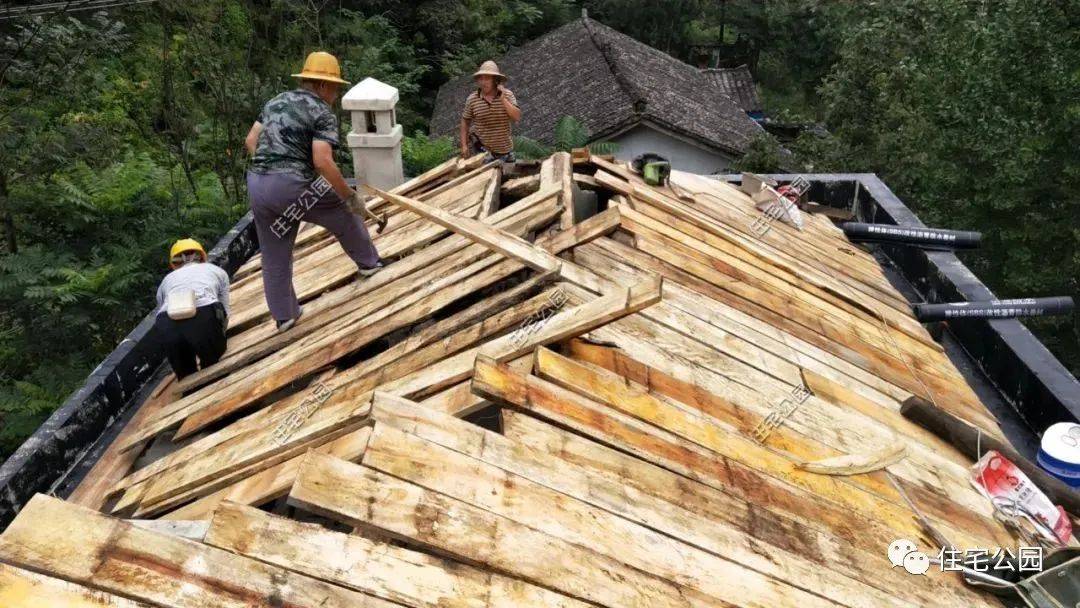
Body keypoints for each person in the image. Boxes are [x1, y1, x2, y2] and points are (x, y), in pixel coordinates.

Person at [244, 51, 382, 332]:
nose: (334, 94)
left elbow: (251, 141)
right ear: (321, 85)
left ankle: (285, 316)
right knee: (343, 212)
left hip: (258, 184)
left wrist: (273, 168)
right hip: (292, 184)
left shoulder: (276, 102)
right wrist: (350, 196)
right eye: (334, 88)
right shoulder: (321, 111)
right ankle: (369, 263)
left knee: (274, 250)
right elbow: (322, 161)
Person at [154, 239, 230, 379]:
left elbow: (161, 309)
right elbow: (224, 311)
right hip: (204, 315)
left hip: (167, 322)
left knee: (186, 375)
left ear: (174, 263)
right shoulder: (216, 271)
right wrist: (218, 338)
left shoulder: (166, 280)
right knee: (214, 366)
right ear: (202, 256)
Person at [459, 60, 521, 163]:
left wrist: (503, 99)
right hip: (483, 152)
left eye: (487, 78)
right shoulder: (472, 99)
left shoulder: (507, 95)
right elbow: (465, 121)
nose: (483, 82)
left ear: (495, 80)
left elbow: (517, 117)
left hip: (506, 152)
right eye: (481, 79)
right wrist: (464, 145)